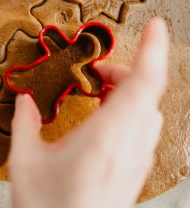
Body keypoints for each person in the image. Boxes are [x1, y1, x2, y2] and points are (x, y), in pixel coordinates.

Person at [9, 18, 169, 208]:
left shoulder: (73, 68)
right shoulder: (61, 51)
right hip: (33, 77)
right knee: (28, 82)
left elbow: (85, 82)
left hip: (39, 93)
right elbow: (49, 38)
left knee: (39, 99)